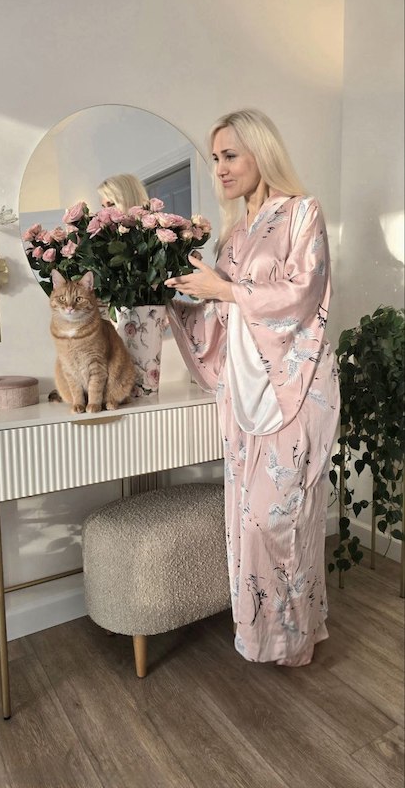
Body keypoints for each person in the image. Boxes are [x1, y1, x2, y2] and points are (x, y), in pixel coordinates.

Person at [164, 109, 340, 667]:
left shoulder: (302, 212)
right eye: (215, 158)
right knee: (250, 521)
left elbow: (304, 293)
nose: (220, 167)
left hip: (296, 387)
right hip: (243, 395)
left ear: (261, 152)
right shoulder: (235, 235)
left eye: (230, 155)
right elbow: (220, 318)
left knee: (283, 518)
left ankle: (296, 637)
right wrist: (172, 295)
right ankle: (269, 637)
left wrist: (227, 289)